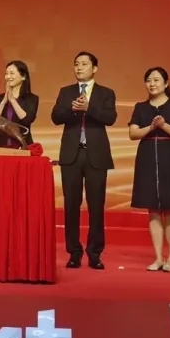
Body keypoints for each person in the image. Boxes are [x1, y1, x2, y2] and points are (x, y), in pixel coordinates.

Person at [51, 51, 117, 270]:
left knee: (96, 206)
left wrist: (89, 109)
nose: (79, 68)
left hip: (95, 154)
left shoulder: (106, 93)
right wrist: (72, 109)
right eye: (76, 64)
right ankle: (74, 252)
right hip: (71, 154)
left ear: (94, 68)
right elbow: (55, 117)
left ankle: (95, 253)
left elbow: (110, 118)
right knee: (71, 205)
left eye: (84, 64)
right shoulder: (66, 91)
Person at [128, 67, 170, 272]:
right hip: (147, 157)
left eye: (156, 80)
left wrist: (163, 125)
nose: (152, 84)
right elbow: (133, 133)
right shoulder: (141, 107)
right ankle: (158, 257)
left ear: (166, 82)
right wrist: (151, 128)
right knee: (152, 210)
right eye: (148, 80)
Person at [0, 61, 39, 148]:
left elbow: (27, 120)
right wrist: (4, 101)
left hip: (22, 147)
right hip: (2, 146)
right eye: (6, 73)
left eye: (12, 73)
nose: (8, 77)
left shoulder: (31, 98)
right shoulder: (0, 98)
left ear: (23, 76)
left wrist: (12, 100)